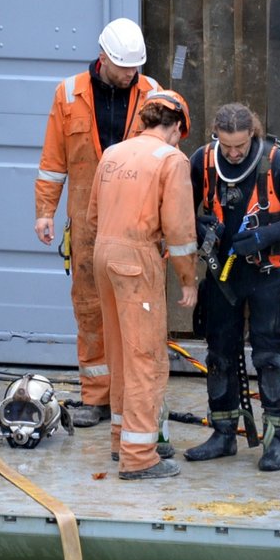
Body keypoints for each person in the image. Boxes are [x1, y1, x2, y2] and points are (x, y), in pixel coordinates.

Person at [185, 103, 280, 471]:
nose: (233, 153)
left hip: (268, 275)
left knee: (272, 359)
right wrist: (200, 227)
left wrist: (270, 233)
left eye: (240, 145)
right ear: (215, 135)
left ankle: (276, 441)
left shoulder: (277, 163)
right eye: (227, 146)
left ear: (252, 133)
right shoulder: (202, 162)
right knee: (220, 357)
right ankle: (223, 434)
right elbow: (178, 211)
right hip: (222, 275)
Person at [34, 18, 161, 428]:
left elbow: (167, 161)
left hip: (137, 219)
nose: (130, 75)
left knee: (136, 309)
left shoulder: (153, 96)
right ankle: (96, 397)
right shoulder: (68, 95)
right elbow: (53, 164)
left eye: (135, 68)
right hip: (87, 223)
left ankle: (132, 398)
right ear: (103, 58)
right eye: (124, 67)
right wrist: (44, 212)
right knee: (89, 309)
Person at [87, 90, 198, 480]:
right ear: (177, 128)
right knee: (145, 357)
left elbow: (93, 215)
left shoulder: (113, 153)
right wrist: (188, 279)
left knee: (119, 351)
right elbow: (181, 232)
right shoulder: (172, 160)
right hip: (136, 259)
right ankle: (139, 456)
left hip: (104, 254)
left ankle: (123, 438)